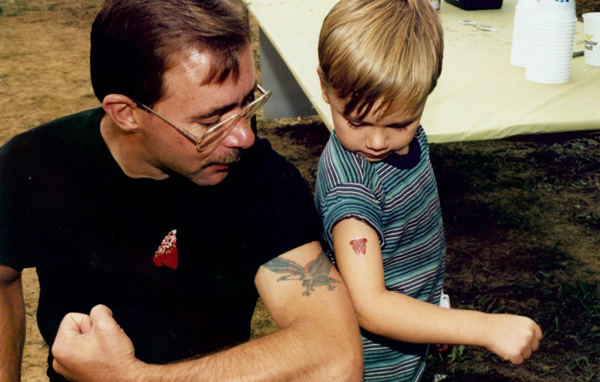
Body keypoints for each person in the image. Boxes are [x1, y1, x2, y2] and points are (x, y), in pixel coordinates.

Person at [0, 0, 363, 381]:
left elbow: (335, 357)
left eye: (247, 102)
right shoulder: (32, 164)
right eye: (211, 120)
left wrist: (129, 378)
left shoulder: (261, 179)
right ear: (126, 113)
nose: (244, 135)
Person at [314, 0, 543, 381]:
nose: (376, 140)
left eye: (399, 123)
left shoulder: (408, 141)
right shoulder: (353, 194)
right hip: (371, 367)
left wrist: (433, 311)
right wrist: (480, 328)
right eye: (355, 122)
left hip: (406, 347)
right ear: (324, 85)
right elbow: (369, 305)